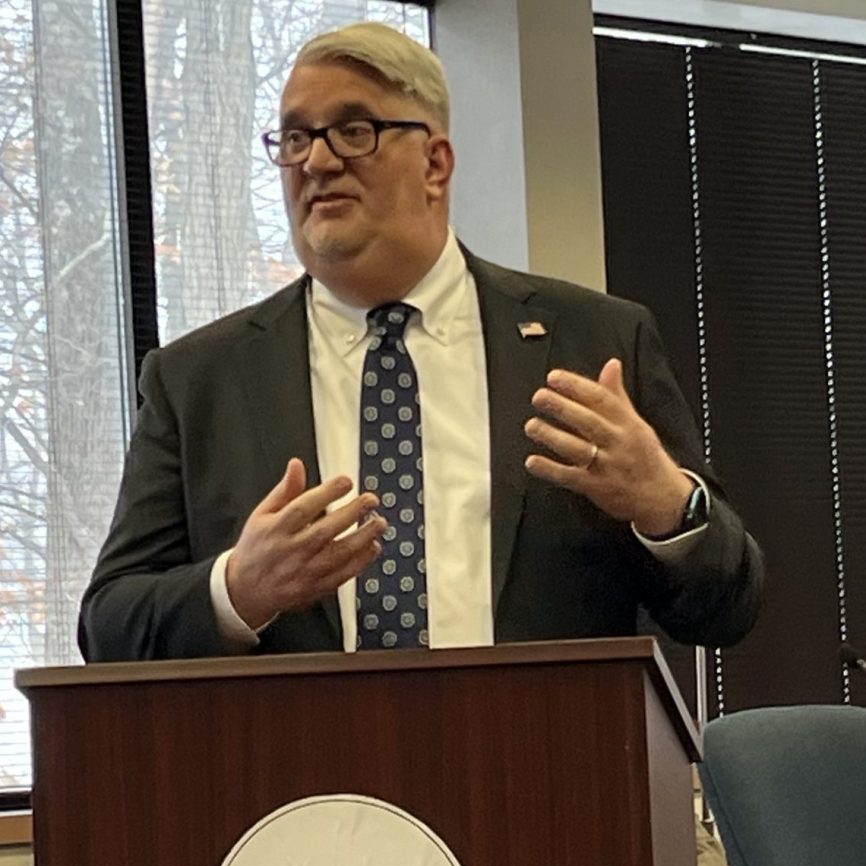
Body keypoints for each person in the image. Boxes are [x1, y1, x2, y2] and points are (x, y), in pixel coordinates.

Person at [77, 22, 762, 663]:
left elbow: (727, 609)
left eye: (353, 131)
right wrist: (239, 589)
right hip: (296, 780)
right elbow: (108, 626)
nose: (316, 160)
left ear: (435, 162)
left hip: (544, 765)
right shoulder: (198, 380)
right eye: (294, 138)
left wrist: (666, 505)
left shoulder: (595, 342)